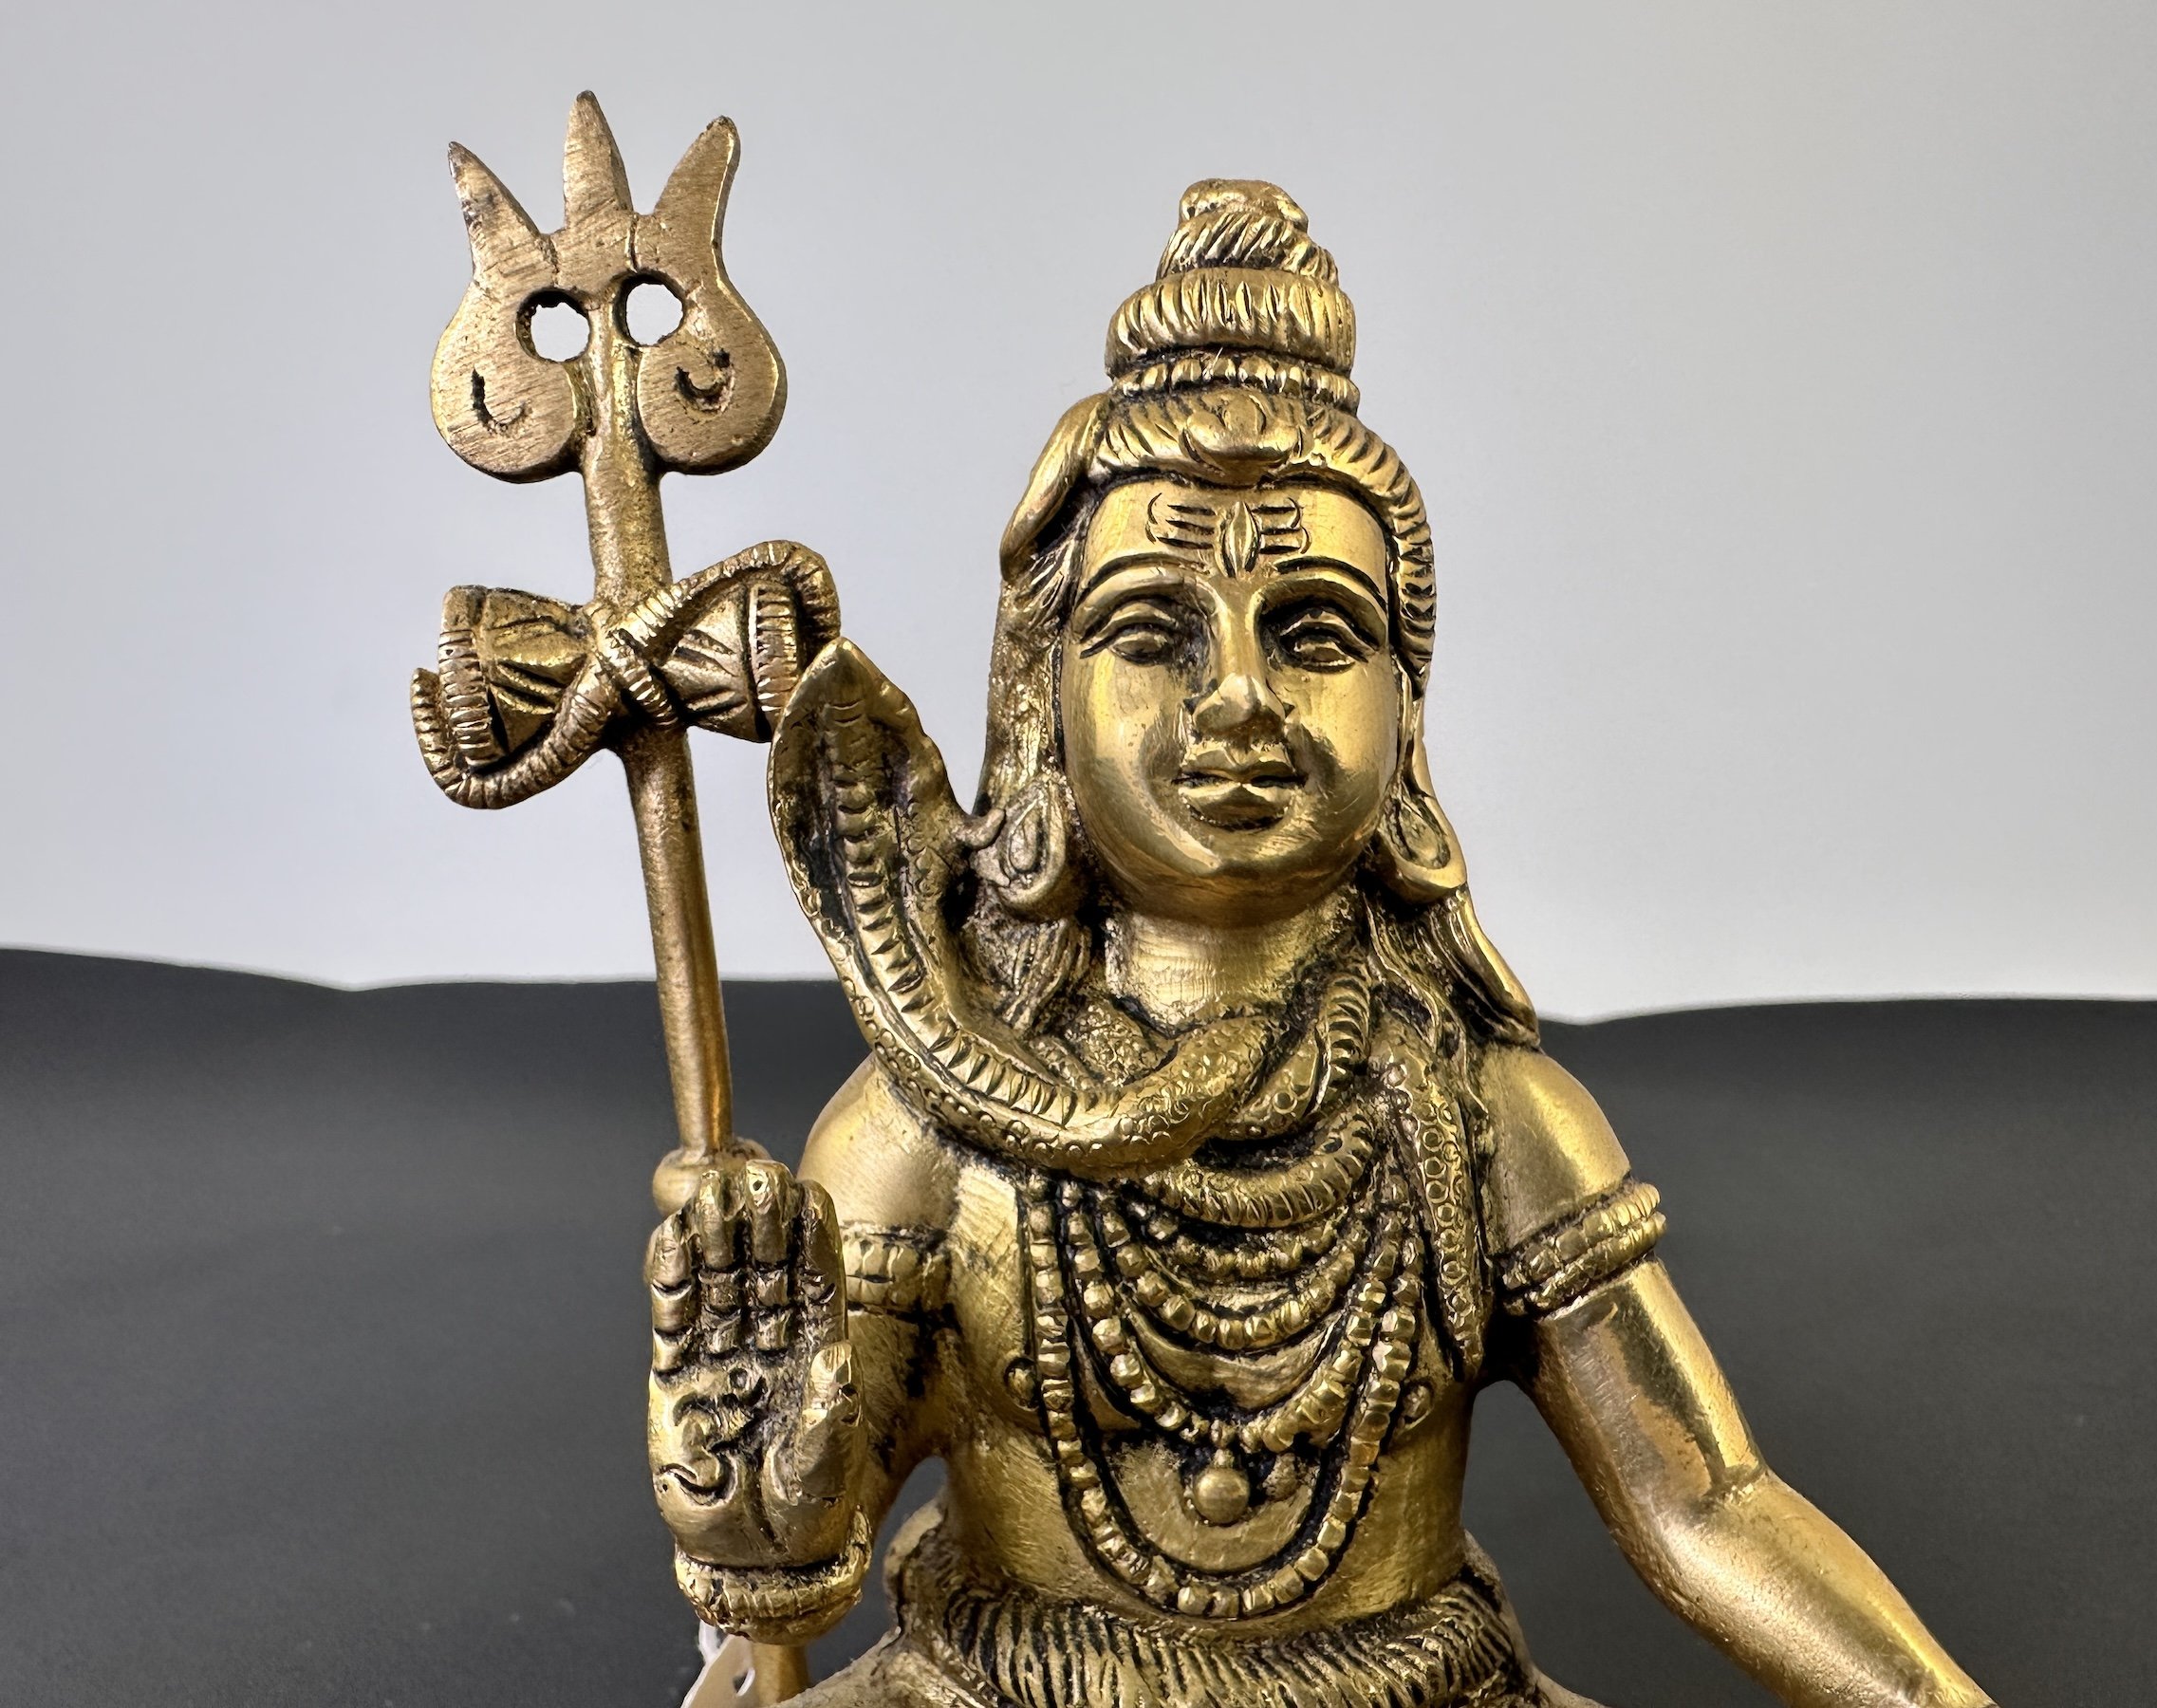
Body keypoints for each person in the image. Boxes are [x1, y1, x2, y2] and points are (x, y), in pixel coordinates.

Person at [642, 180, 1996, 1708]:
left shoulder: (1485, 1121)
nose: (1237, 698)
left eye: (1314, 634)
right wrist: (747, 1503)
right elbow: (796, 1562)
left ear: (1407, 717)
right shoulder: (929, 1131)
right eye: (1153, 633)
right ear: (1037, 704)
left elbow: (1704, 1507)